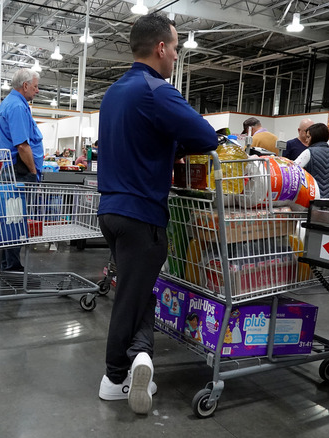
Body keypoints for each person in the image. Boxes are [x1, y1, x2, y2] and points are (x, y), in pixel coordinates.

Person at [96, 12, 218, 415]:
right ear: (161, 47)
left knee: (139, 289)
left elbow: (138, 142)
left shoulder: (114, 91)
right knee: (130, 298)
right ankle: (114, 378)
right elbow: (203, 135)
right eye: (177, 48)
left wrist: (165, 146)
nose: (178, 56)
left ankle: (140, 355)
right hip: (141, 215)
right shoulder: (157, 89)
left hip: (111, 211)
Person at [0, 68, 44, 271]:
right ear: (25, 86)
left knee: (11, 218)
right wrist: (33, 171)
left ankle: (6, 264)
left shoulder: (11, 103)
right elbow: (23, 145)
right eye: (35, 86)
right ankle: (12, 267)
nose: (37, 91)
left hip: (12, 169)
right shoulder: (17, 106)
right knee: (16, 219)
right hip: (19, 170)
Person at [295, 123, 329, 198]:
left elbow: (293, 171)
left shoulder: (309, 152)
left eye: (308, 137)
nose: (306, 140)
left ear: (315, 137)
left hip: (312, 198)